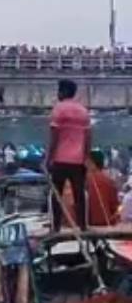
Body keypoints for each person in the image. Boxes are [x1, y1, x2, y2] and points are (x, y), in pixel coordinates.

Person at [47, 79, 90, 231]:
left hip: (60, 159)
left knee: (56, 194)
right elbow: (88, 137)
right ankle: (83, 225)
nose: (57, 94)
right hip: (78, 161)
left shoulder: (58, 109)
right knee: (80, 194)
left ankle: (56, 226)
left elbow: (54, 137)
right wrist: (85, 157)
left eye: (59, 90)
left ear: (63, 92)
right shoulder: (83, 111)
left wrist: (48, 158)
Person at [85, 150, 119, 227]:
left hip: (89, 226)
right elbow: (115, 206)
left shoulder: (85, 180)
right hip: (107, 224)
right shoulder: (109, 180)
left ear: (91, 163)